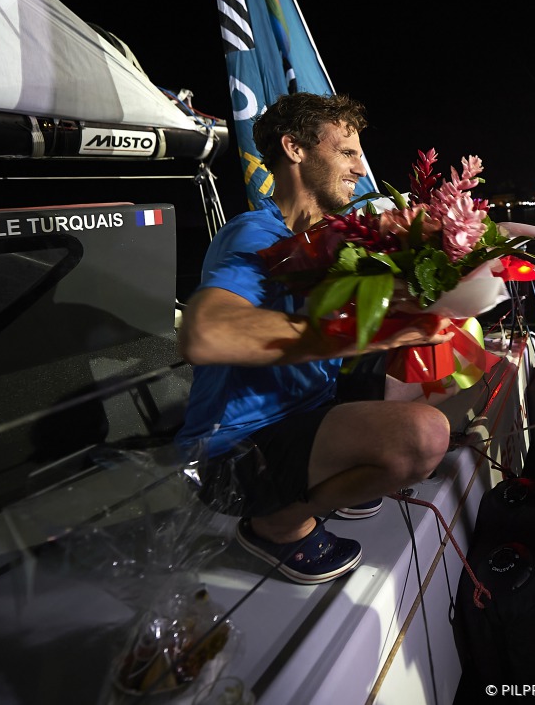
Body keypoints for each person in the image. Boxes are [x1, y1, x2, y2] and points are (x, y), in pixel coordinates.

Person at [175, 92, 453, 585]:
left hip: (309, 415)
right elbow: (205, 334)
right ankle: (274, 526)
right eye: (347, 152)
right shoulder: (257, 235)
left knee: (458, 375)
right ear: (295, 149)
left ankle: (328, 480)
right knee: (424, 435)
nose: (360, 169)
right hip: (235, 456)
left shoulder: (331, 240)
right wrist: (358, 335)